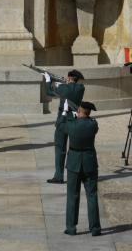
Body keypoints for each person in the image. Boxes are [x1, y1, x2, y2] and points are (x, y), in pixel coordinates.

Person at [64, 101, 101, 236]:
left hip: (74, 163)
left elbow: (63, 127)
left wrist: (67, 114)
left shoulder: (72, 124)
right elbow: (91, 124)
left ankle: (71, 227)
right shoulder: (93, 124)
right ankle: (95, 228)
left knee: (73, 195)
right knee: (92, 195)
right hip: (89, 162)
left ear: (79, 110)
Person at [44, 70, 85, 184]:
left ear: (69, 77)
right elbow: (70, 90)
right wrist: (62, 83)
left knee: (60, 149)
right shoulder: (81, 88)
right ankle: (77, 175)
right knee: (75, 149)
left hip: (63, 120)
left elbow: (49, 92)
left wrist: (48, 80)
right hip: (74, 120)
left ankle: (59, 176)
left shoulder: (63, 88)